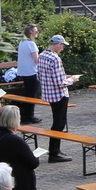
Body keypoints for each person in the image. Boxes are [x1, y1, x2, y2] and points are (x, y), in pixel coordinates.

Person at [36, 35, 73, 163]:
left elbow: (40, 76)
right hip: (59, 95)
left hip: (48, 93)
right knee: (59, 123)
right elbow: (60, 83)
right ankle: (54, 152)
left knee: (57, 121)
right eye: (62, 46)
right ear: (58, 45)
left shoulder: (42, 55)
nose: (62, 48)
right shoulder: (55, 59)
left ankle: (56, 150)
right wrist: (72, 80)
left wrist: (64, 77)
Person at [14, 22, 41, 99]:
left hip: (24, 73)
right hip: (32, 72)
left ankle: (27, 107)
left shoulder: (22, 43)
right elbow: (37, 60)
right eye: (36, 31)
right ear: (31, 32)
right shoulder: (31, 44)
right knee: (32, 96)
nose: (37, 32)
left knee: (28, 94)